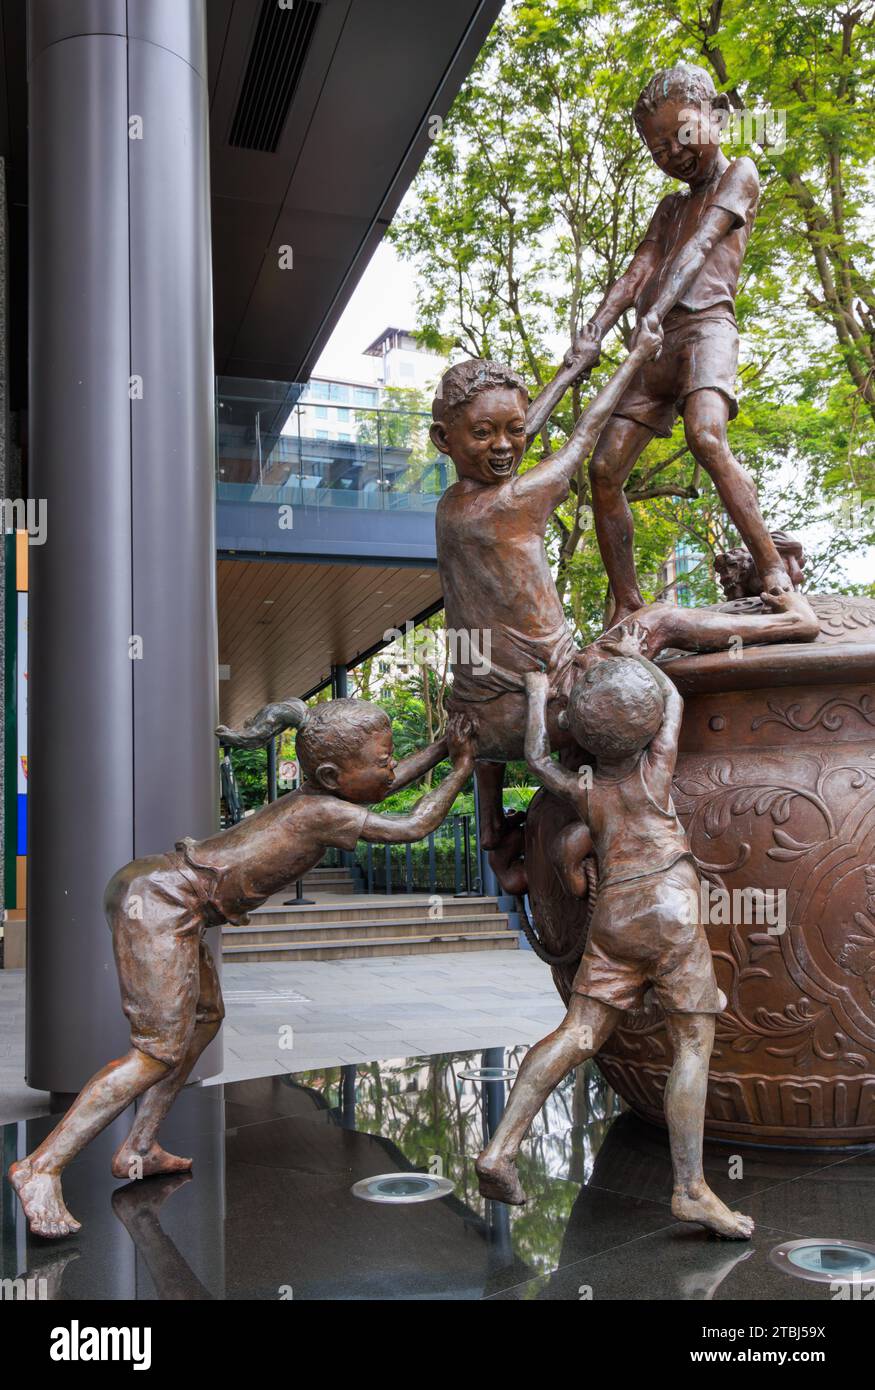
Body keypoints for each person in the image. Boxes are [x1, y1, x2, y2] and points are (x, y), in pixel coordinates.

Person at [9, 699, 475, 1239]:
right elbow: (413, 824)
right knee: (156, 1050)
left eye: (391, 757)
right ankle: (40, 1167)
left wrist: (443, 746)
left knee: (205, 1016)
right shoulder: (321, 811)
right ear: (331, 774)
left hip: (165, 891)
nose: (392, 768)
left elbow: (381, 788)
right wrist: (461, 766)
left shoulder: (321, 795)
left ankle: (139, 1145)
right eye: (384, 759)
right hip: (160, 900)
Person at [430, 351, 818, 857]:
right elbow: (585, 438)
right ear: (444, 438)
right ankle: (793, 620)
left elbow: (508, 437)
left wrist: (571, 370)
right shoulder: (513, 503)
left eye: (514, 430)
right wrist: (635, 354)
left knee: (487, 672)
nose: (503, 447)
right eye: (483, 434)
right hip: (548, 703)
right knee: (656, 618)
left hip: (480, 725)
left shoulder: (452, 505)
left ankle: (493, 834)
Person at [474, 637, 755, 1240]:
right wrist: (638, 657)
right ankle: (689, 1189)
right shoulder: (656, 771)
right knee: (692, 1045)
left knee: (578, 1034)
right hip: (671, 914)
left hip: (616, 917)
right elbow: (674, 695)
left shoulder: (583, 791)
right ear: (648, 724)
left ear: (581, 727)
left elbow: (536, 758)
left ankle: (500, 1149)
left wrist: (536, 694)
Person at [565, 62, 802, 624]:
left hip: (706, 330)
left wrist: (657, 312)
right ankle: (626, 602)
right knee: (602, 471)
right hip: (655, 346)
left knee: (707, 437)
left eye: (683, 134)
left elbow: (699, 249)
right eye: (658, 146)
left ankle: (771, 568)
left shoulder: (739, 173)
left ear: (715, 117)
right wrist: (593, 329)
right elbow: (635, 273)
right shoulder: (668, 207)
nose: (672, 152)